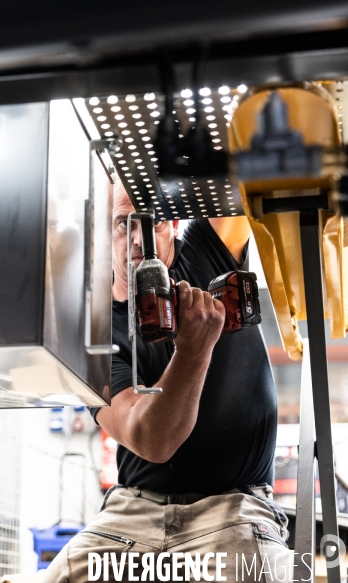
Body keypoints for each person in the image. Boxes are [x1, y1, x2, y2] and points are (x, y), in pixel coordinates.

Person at [44, 182, 293, 582]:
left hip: (232, 509)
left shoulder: (206, 250)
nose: (140, 238)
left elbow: (238, 173)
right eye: (124, 224)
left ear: (174, 222)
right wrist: (193, 351)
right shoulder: (93, 333)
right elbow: (152, 440)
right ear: (102, 235)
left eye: (154, 221)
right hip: (132, 516)